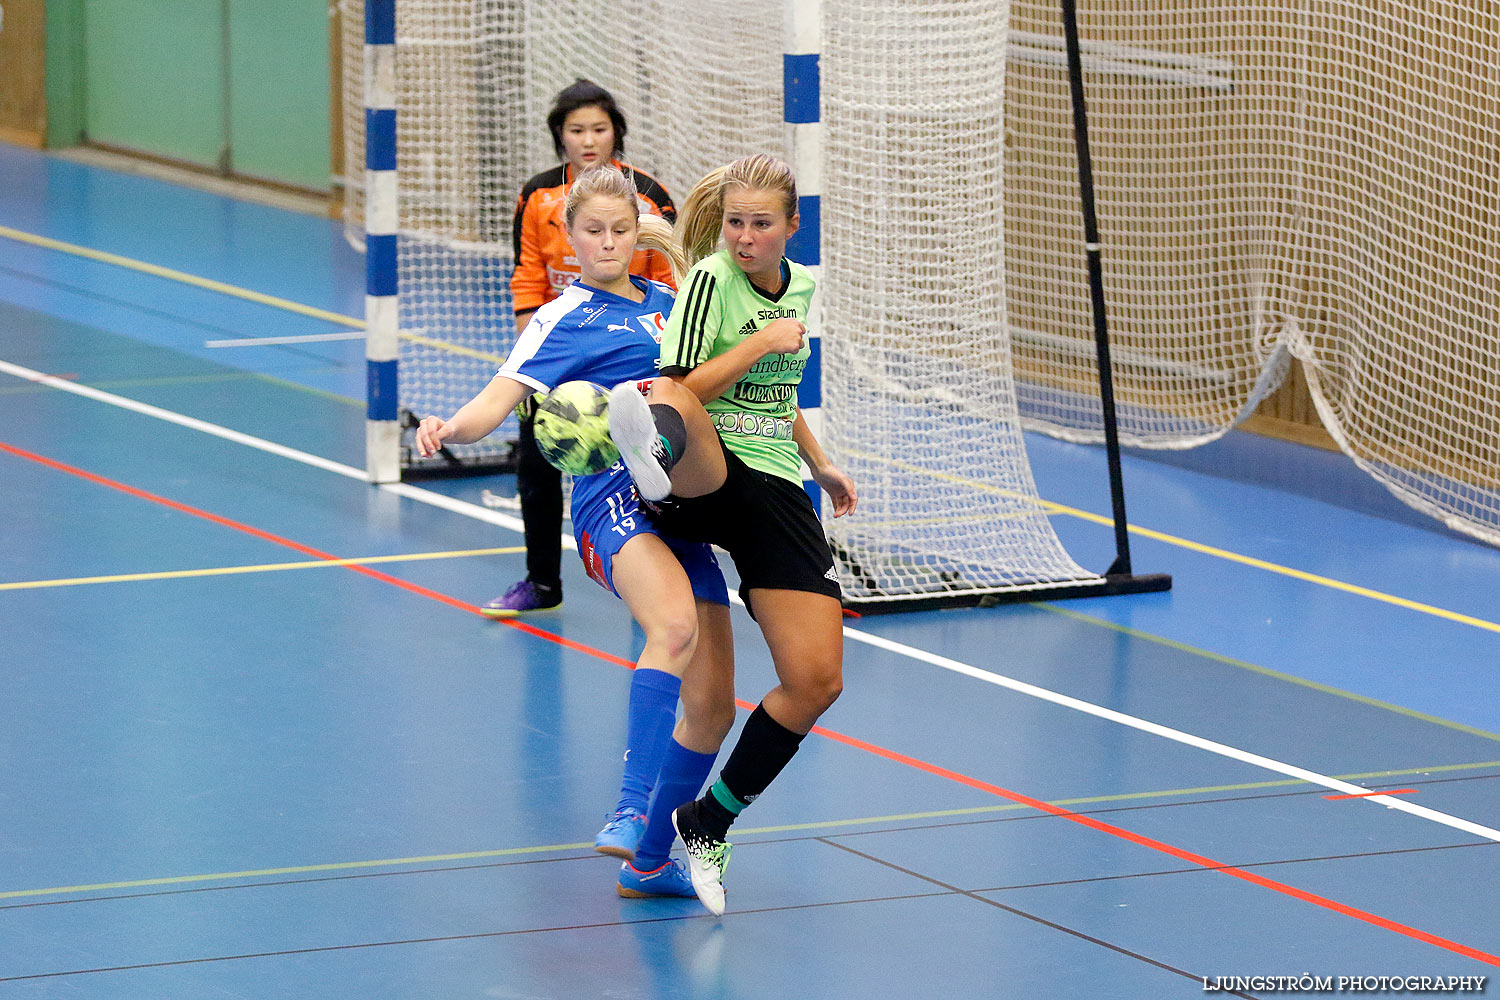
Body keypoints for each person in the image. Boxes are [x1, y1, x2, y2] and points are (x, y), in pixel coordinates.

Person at [416, 166, 732, 898]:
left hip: (684, 501)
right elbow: (497, 400)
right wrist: (448, 427)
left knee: (713, 709)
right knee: (674, 627)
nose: (609, 243)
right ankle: (628, 811)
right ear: (570, 236)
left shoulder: (669, 302)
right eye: (593, 231)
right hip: (613, 502)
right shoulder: (561, 318)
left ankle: (652, 861)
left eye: (622, 230)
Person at [604, 153, 858, 916]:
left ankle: (707, 821)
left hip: (776, 484)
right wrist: (755, 344)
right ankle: (649, 461)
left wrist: (822, 464)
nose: (744, 238)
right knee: (665, 401)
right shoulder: (714, 280)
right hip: (708, 465)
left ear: (790, 227)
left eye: (760, 224)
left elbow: (780, 399)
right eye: (735, 223)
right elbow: (684, 382)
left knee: (816, 679)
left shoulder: (802, 287)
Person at [485, 78, 678, 618]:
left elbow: (669, 277)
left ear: (616, 132)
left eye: (600, 128)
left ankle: (657, 583)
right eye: (576, 130)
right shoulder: (539, 195)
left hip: (630, 354)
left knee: (649, 466)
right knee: (537, 461)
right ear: (559, 137)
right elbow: (528, 279)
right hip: (562, 352)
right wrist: (534, 361)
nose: (589, 139)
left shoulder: (648, 197)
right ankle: (541, 582)